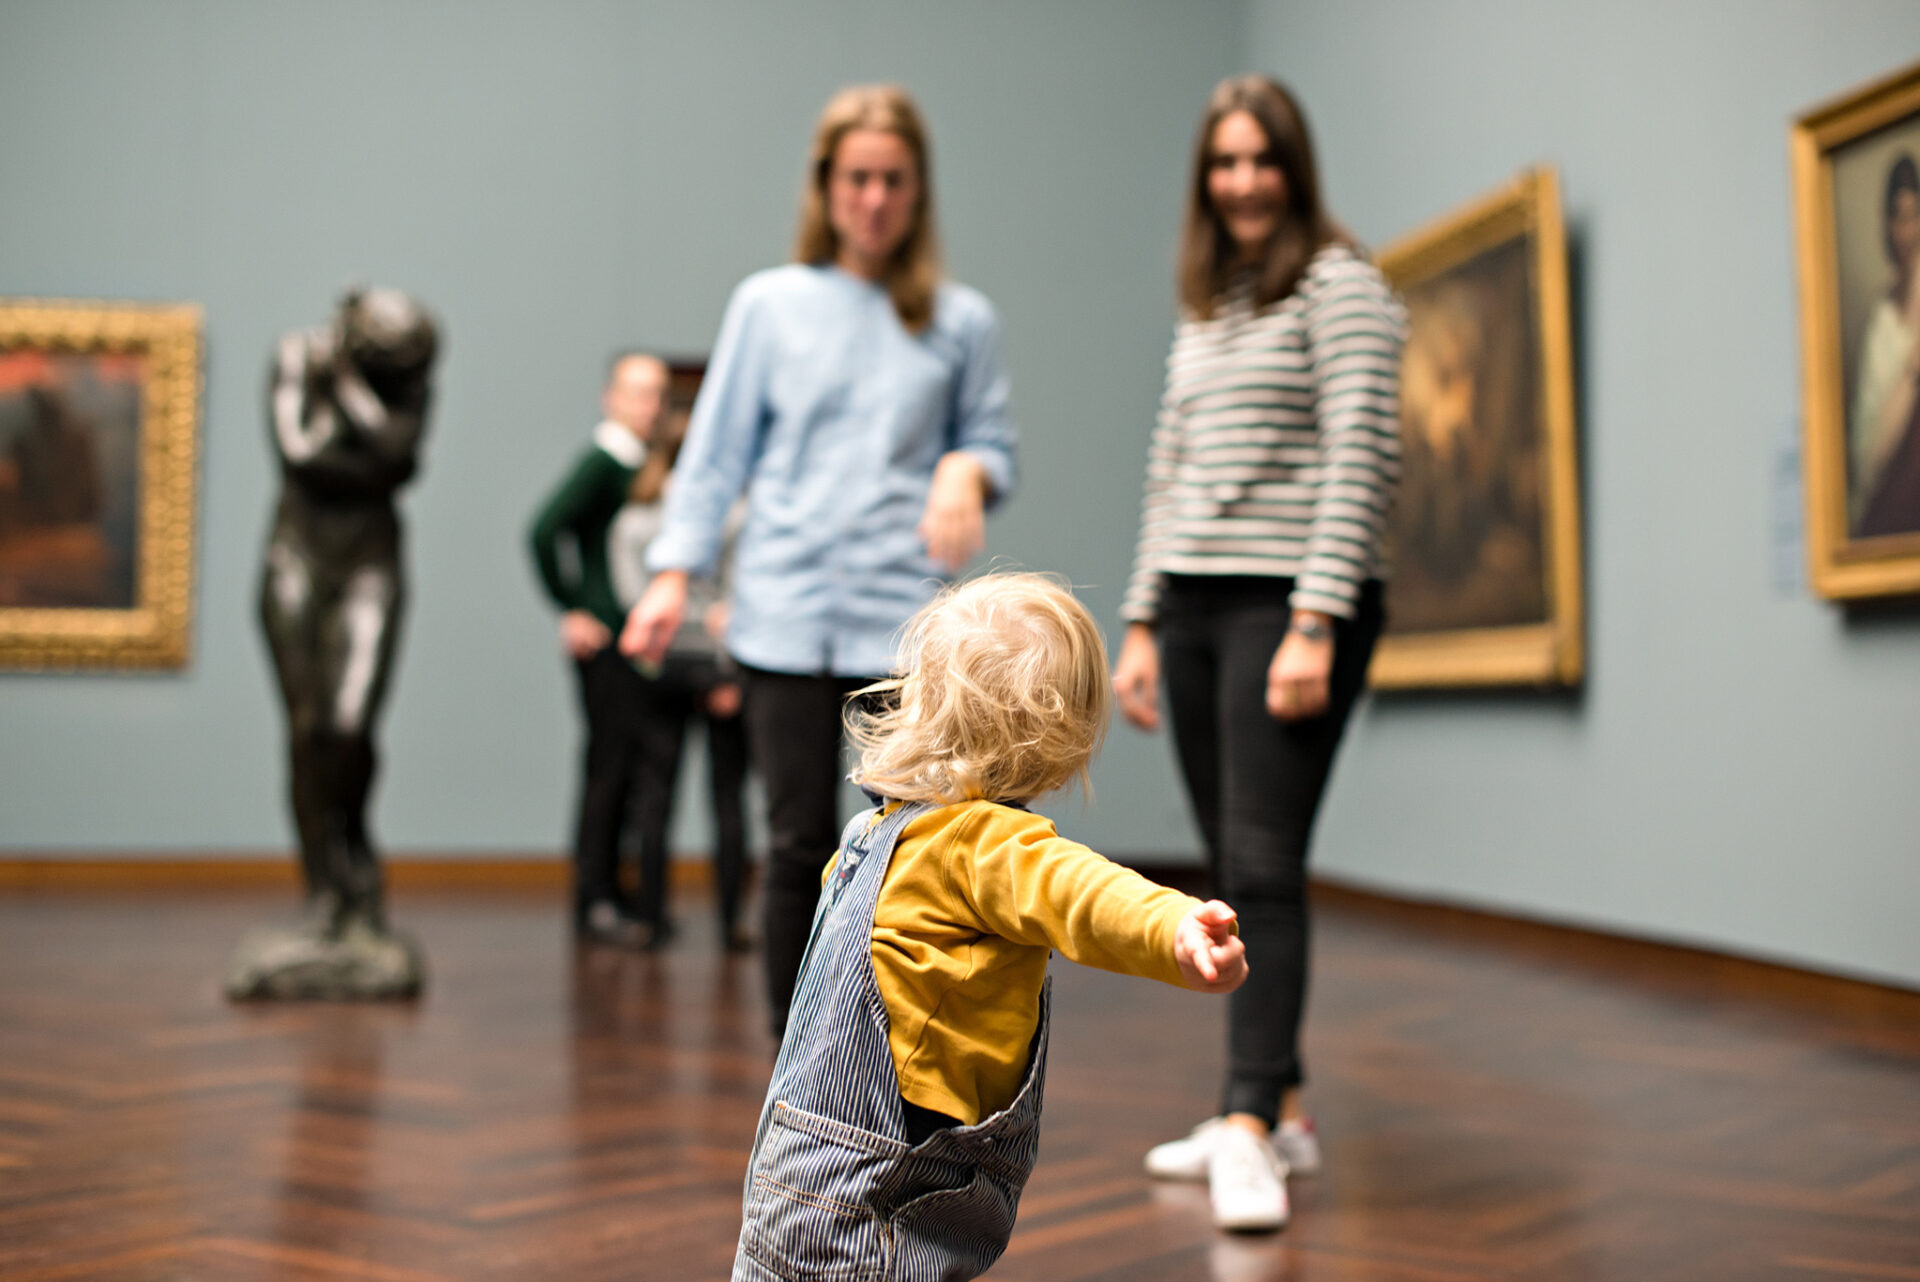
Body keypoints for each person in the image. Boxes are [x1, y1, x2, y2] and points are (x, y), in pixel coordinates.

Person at [623, 84, 1018, 1038]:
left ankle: (888, 1054)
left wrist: (967, 467)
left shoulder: (960, 322)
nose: (874, 199)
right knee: (797, 841)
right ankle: (795, 1057)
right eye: (856, 179)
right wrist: (673, 574)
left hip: (904, 625)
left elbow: (994, 444)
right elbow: (714, 457)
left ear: (918, 191)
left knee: (907, 847)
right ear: (826, 187)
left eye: (892, 180)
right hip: (783, 616)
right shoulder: (769, 305)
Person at [731, 573, 1247, 1282]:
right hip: (887, 1185)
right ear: (1060, 735)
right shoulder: (984, 844)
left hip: (793, 1170)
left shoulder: (869, 834)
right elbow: (1083, 892)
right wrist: (1175, 924)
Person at [1111, 75, 1406, 1232]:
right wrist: (1139, 622)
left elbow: (1362, 460)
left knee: (1264, 863)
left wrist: (1316, 620)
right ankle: (1278, 1107)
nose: (1241, 182)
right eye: (1223, 163)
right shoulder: (1210, 304)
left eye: (1261, 160)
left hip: (1287, 604)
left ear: (1296, 168)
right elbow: (1169, 468)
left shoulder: (1343, 288)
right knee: (1230, 865)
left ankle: (1244, 1124)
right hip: (1190, 603)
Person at [261, 287, 438, 944]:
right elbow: (299, 454)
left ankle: (354, 844)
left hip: (372, 566)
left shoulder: (405, 373)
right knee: (308, 731)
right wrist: (374, 444)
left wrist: (344, 386)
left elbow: (399, 457)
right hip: (297, 561)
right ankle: (323, 888)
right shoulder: (294, 355)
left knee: (350, 726)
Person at [528, 352, 671, 947]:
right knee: (608, 771)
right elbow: (542, 529)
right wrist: (574, 605)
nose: (649, 406)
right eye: (637, 393)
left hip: (633, 639)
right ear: (609, 397)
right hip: (609, 644)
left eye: (658, 394)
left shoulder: (638, 463)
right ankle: (596, 902)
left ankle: (622, 895)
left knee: (628, 770)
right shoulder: (604, 459)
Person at [608, 408, 753, 950]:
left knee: (654, 797)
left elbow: (632, 600)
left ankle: (649, 917)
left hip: (658, 670)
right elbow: (738, 602)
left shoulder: (634, 520)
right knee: (728, 798)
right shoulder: (737, 516)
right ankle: (732, 922)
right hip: (720, 669)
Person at [1849, 152, 1920, 537]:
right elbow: (1869, 460)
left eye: (1913, 216)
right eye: (1898, 217)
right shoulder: (1883, 324)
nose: (1906, 232)